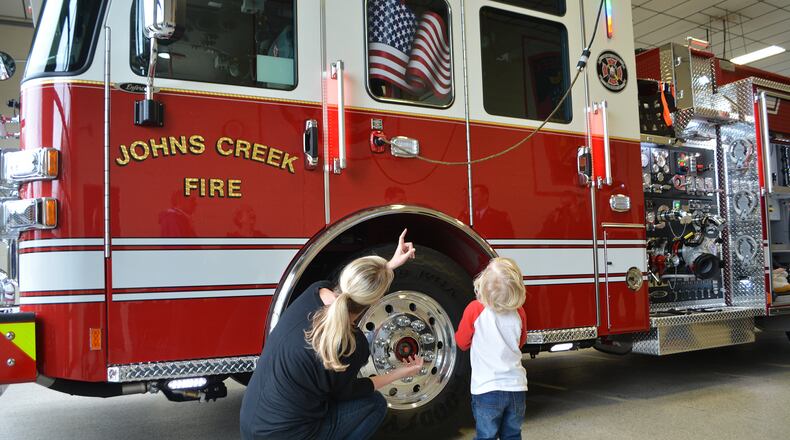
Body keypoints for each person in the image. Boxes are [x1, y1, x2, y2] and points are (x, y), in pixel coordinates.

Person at [240, 229, 423, 440]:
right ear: (374, 301)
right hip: (288, 436)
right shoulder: (352, 345)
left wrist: (387, 267)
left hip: (251, 427)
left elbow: (354, 291)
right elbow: (350, 392)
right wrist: (400, 372)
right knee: (374, 404)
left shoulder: (314, 292)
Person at [455, 258, 528, 440]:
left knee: (486, 436)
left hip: (486, 389)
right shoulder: (519, 312)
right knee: (512, 435)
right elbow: (520, 342)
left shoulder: (475, 309)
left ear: (483, 285)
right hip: (517, 387)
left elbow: (462, 342)